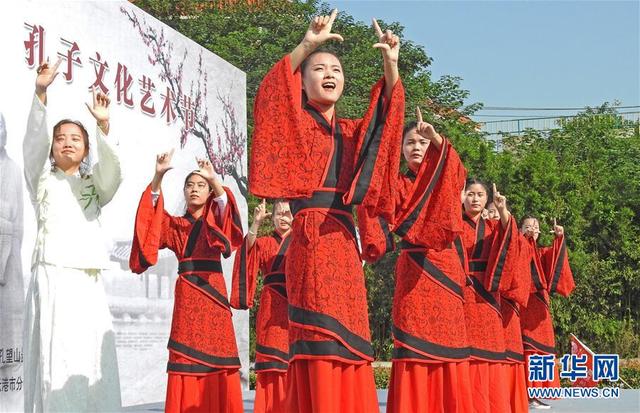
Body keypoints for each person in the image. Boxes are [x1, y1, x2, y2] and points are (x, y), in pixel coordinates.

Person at [249, 8, 405, 412]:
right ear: (302, 83)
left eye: (335, 68)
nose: (329, 73)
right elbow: (269, 94)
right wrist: (308, 44)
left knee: (350, 342)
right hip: (310, 237)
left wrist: (391, 67)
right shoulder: (295, 123)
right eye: (319, 68)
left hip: (343, 242)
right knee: (318, 343)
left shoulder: (353, 132)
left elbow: (385, 124)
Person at [22, 58, 122, 412]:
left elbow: (112, 175)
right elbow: (32, 145)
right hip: (52, 276)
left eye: (75, 138)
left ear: (85, 148)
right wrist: (40, 92)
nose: (66, 143)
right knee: (54, 360)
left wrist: (103, 125)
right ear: (52, 148)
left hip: (87, 280)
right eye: (60, 138)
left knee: (91, 360)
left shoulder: (94, 183)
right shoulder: (41, 178)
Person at [358, 108, 473, 412]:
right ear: (402, 150)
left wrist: (435, 136)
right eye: (410, 142)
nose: (417, 147)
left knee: (449, 346)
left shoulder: (442, 182)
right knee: (413, 347)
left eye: (422, 142)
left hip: (445, 268)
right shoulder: (397, 184)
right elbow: (376, 199)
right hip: (412, 271)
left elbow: (457, 172)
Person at [129, 149, 244, 412]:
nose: (195, 189)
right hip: (188, 296)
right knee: (185, 357)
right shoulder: (176, 226)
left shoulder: (215, 222)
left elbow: (226, 206)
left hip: (213, 291)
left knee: (219, 357)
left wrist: (214, 179)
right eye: (190, 185)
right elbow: (151, 221)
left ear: (209, 192)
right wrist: (157, 177)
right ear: (183, 192)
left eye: (201, 186)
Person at [461, 179, 525, 413]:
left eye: (480, 195)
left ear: (487, 199)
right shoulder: (454, 225)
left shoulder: (492, 227)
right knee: (463, 353)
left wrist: (502, 210)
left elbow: (512, 242)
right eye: (470, 194)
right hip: (461, 294)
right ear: (462, 197)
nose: (475, 199)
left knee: (489, 353)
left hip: (487, 296)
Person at [231, 199, 292, 413]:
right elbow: (247, 254)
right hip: (270, 306)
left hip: (296, 308)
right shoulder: (264, 242)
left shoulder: (300, 241)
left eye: (287, 213)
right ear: (272, 217)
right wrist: (255, 223)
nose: (283, 217)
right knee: (273, 365)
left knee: (295, 364)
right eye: (279, 213)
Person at [519, 216, 575, 410]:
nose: (532, 229)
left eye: (535, 227)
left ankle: (537, 394)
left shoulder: (542, 253)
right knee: (527, 350)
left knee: (541, 351)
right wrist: (524, 241)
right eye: (527, 226)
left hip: (541, 308)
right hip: (523, 306)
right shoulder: (517, 248)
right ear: (519, 230)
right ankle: (525, 395)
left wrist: (559, 238)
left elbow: (556, 267)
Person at [0, 112, 25, 412]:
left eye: (1, 127)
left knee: (9, 357)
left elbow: (19, 228)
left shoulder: (14, 171)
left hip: (9, 271)